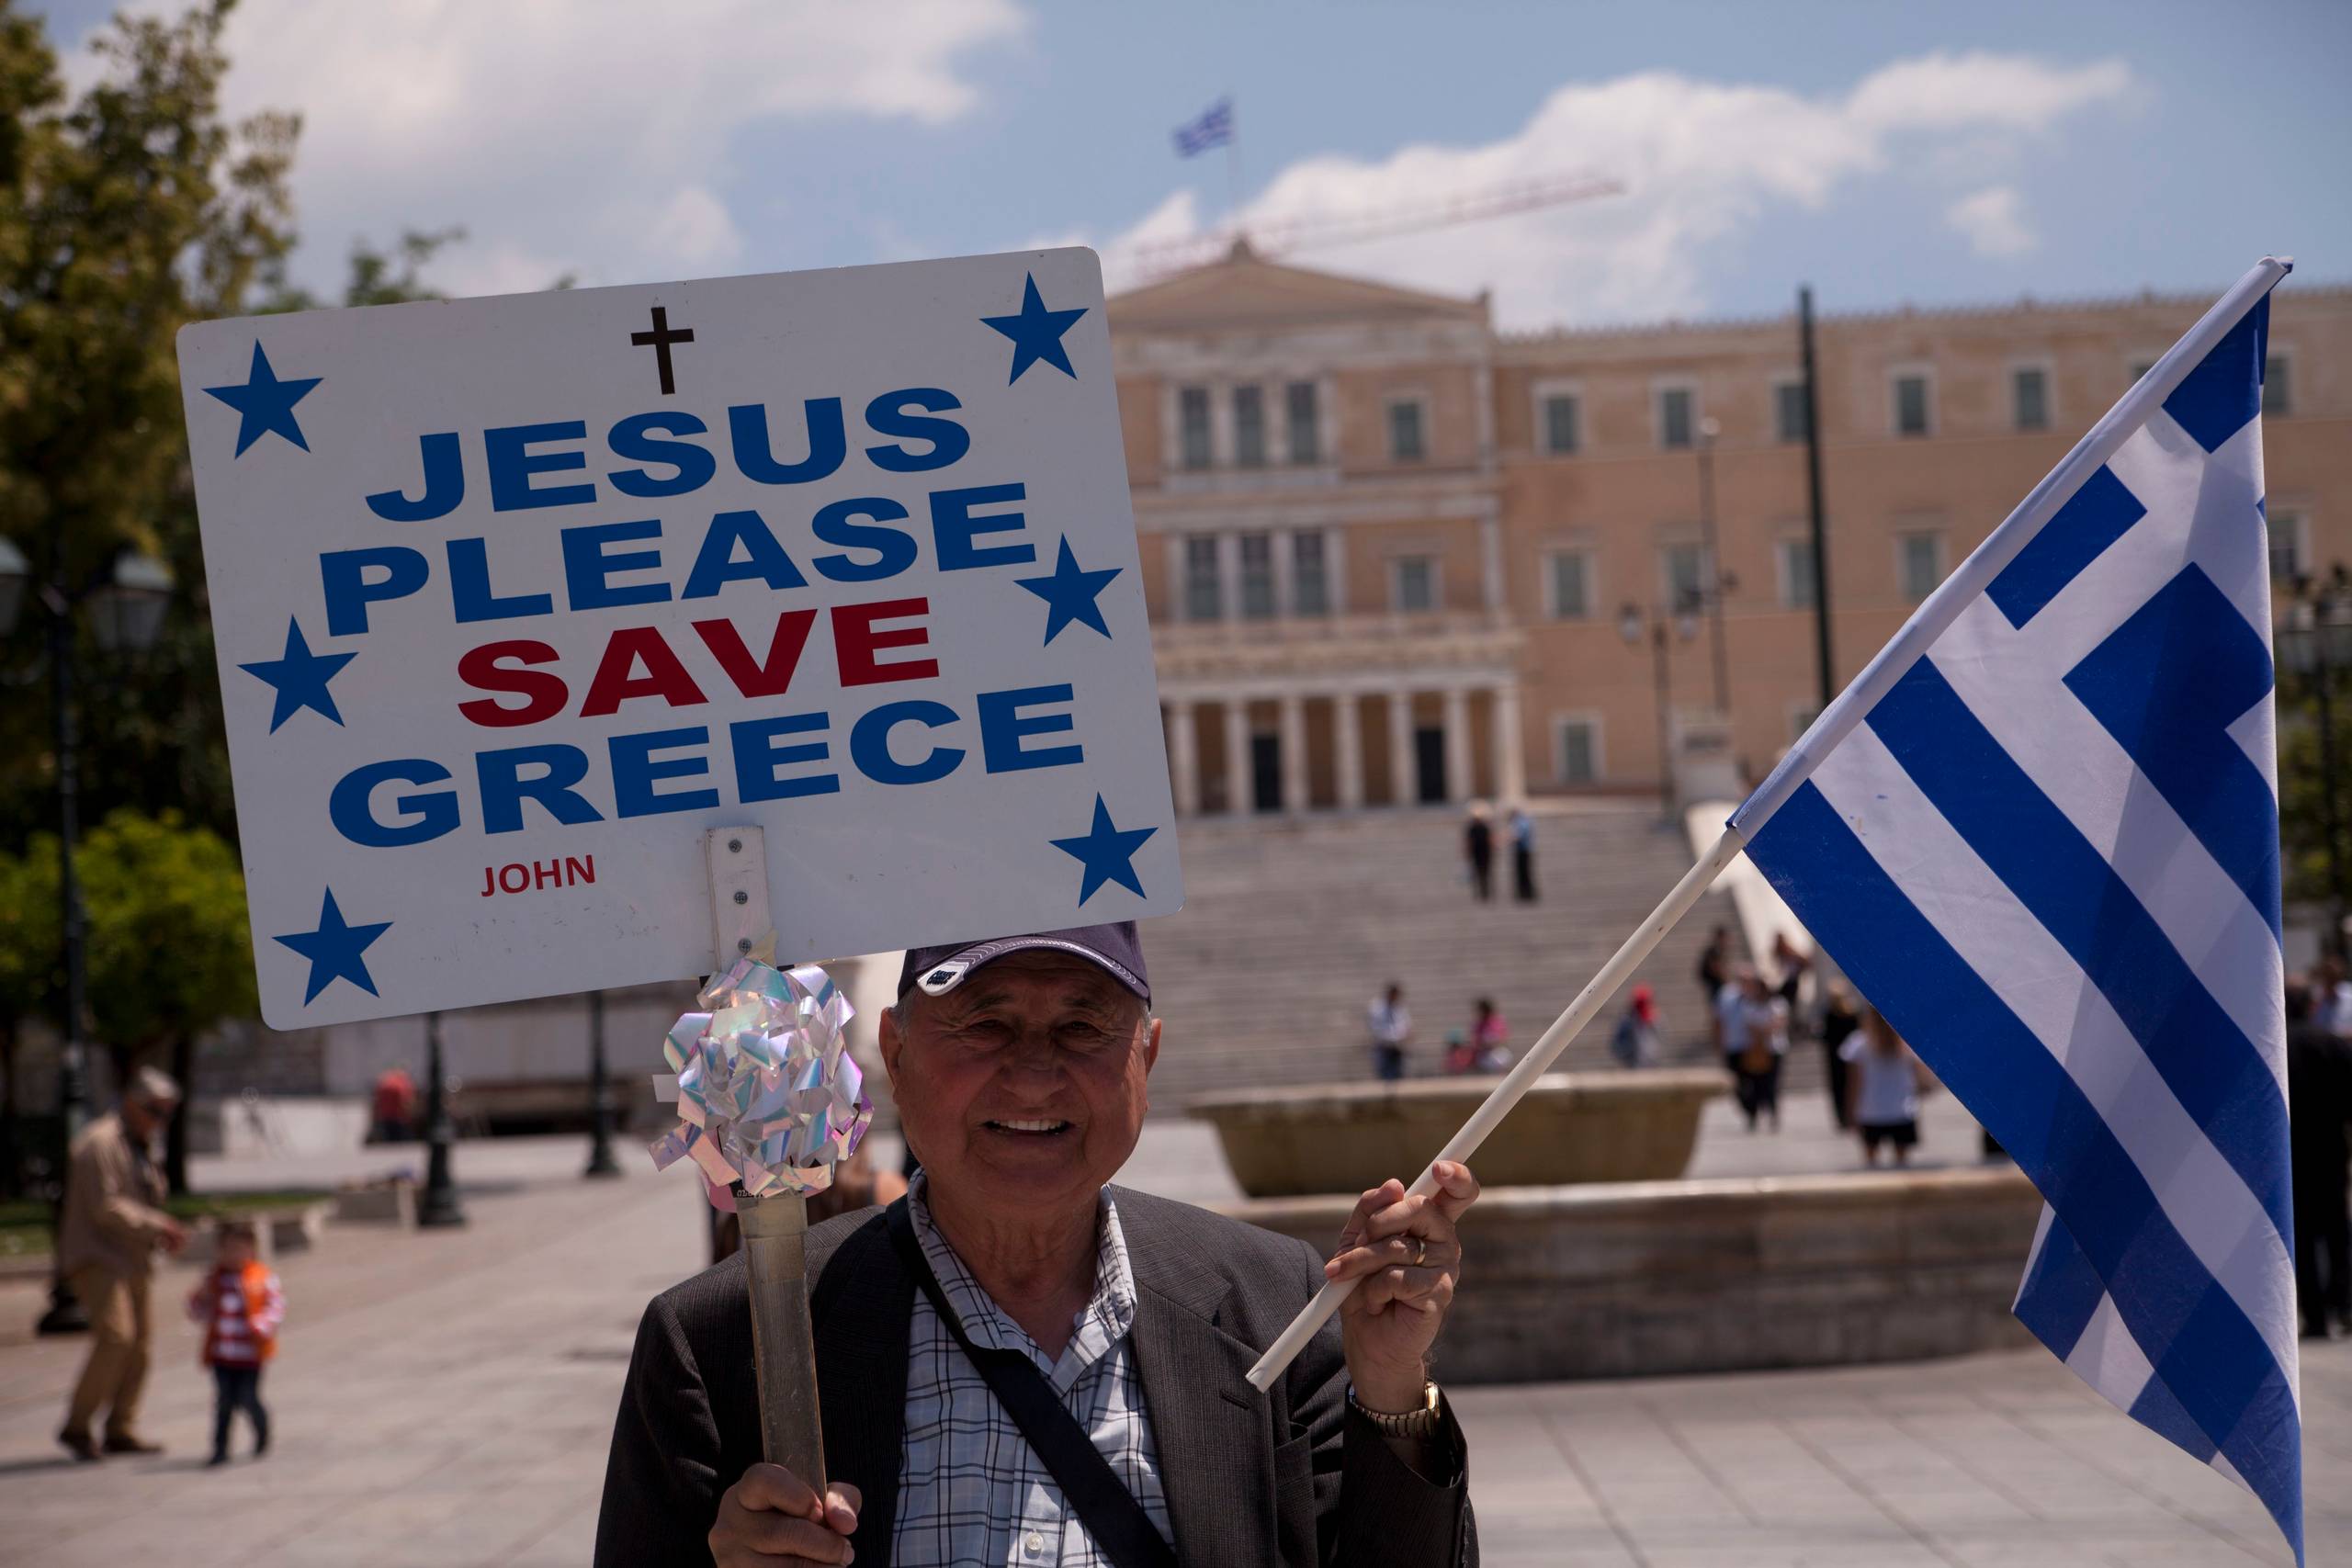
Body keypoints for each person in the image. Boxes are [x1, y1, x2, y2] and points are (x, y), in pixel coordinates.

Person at [597, 925, 1480, 1566]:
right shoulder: (720, 1344)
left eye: (1083, 1027)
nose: (1032, 1071)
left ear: (1148, 1054)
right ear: (894, 1054)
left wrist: (1392, 1386)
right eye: (984, 1023)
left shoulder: (1278, 1306)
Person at [57, 1066, 187, 1461]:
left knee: (141, 1346)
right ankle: (77, 1426)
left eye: (167, 1113)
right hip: (97, 1256)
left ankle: (121, 1427)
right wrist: (157, 1224)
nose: (160, 1121)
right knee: (116, 1337)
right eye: (154, 1111)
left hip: (133, 1257)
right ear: (131, 1102)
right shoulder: (100, 1143)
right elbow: (105, 1207)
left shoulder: (142, 1142)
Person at [187, 1218, 285, 1464]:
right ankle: (220, 1448)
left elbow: (276, 1307)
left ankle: (261, 1428)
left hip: (250, 1353)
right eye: (227, 1249)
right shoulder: (214, 1280)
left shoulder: (261, 1277)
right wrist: (200, 1296)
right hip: (222, 1354)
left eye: (239, 1249)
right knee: (224, 1403)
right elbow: (197, 1313)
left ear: (251, 1250)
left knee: (247, 1398)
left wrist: (261, 1325)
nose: (233, 1255)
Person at [2287, 976, 2352, 1339]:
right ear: (2311, 1006)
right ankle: (2343, 1306)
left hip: (2294, 1156)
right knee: (2337, 1231)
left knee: (2305, 1236)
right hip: (2331, 1151)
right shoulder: (2331, 1044)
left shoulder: (2277, 1051)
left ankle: (2315, 1317)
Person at [1839, 1010, 1932, 1168]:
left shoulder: (1859, 1043)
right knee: (1902, 1165)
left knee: (1871, 1165)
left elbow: (1854, 1083)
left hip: (1871, 1110)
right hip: (1901, 1109)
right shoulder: (1906, 1041)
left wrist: (1850, 1112)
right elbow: (1921, 1077)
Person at [1728, 969, 1787, 1133]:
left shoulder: (1777, 1003)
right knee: (1754, 1084)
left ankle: (1773, 1113)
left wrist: (1764, 1029)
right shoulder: (1750, 1005)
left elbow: (1779, 1023)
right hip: (1755, 1049)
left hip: (1774, 1049)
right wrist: (1763, 1030)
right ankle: (1753, 1114)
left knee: (1771, 1084)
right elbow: (1750, 1025)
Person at [1817, 983, 1861, 1130]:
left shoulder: (1830, 1014)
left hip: (1835, 1056)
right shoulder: (1852, 1013)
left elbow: (1824, 1036)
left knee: (1839, 1087)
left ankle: (1843, 1118)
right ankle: (1852, 1116)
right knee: (1851, 1084)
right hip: (1851, 1056)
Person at [1368, 982, 1412, 1082]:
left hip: (1397, 1047)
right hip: (1384, 1047)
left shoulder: (1399, 1007)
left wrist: (1406, 1034)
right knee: (1385, 1074)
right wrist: (1390, 1038)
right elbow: (1375, 1028)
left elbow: (1406, 1024)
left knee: (1398, 1074)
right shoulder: (1377, 1007)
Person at [1610, 986, 1661, 1068]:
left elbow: (1659, 1038)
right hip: (1633, 1063)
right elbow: (1617, 1045)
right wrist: (1628, 1053)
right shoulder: (1627, 1021)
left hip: (1651, 1063)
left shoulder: (1654, 1019)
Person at [370, 1064, 418, 1143]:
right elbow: (407, 1102)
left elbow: (376, 1102)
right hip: (399, 1117)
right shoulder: (404, 1083)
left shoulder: (384, 1082)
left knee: (389, 1141)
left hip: (385, 1117)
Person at [1695, 926, 1733, 1016]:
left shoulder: (1717, 951)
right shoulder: (1714, 951)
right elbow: (1716, 968)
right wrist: (1727, 981)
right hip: (1716, 986)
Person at [1467, 998, 1510, 1073]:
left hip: (1496, 1051)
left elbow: (1502, 1037)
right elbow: (1475, 1041)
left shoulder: (1496, 1021)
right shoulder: (1478, 1024)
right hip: (1484, 1053)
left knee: (1501, 1056)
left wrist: (1493, 1043)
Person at [1463, 802, 1494, 901]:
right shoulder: (1480, 827)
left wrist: (1467, 851)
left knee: (1483, 873)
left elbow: (1489, 839)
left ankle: (1484, 892)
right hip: (1482, 853)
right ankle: (1483, 892)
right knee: (1480, 873)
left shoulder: (1477, 827)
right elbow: (1469, 841)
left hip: (1482, 853)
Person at [1507, 806, 1537, 903]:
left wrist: (1507, 839)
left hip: (1523, 850)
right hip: (1522, 850)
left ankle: (1526, 893)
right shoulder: (1523, 821)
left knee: (1524, 873)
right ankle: (1524, 893)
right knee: (1522, 873)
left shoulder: (1521, 822)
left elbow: (1518, 836)